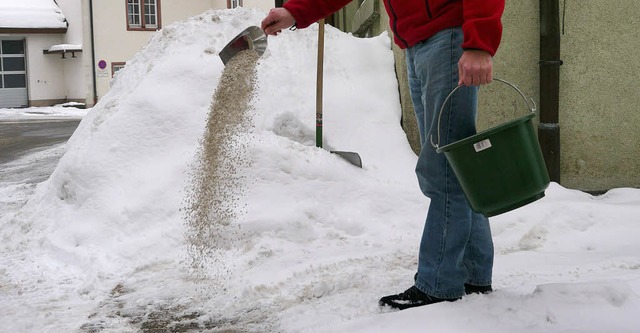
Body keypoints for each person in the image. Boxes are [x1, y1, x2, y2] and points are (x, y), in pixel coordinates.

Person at [261, 0, 505, 310]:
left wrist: (479, 44)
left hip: (449, 37)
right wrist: (296, 12)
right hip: (419, 46)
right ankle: (473, 273)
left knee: (442, 167)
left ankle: (439, 284)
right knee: (456, 162)